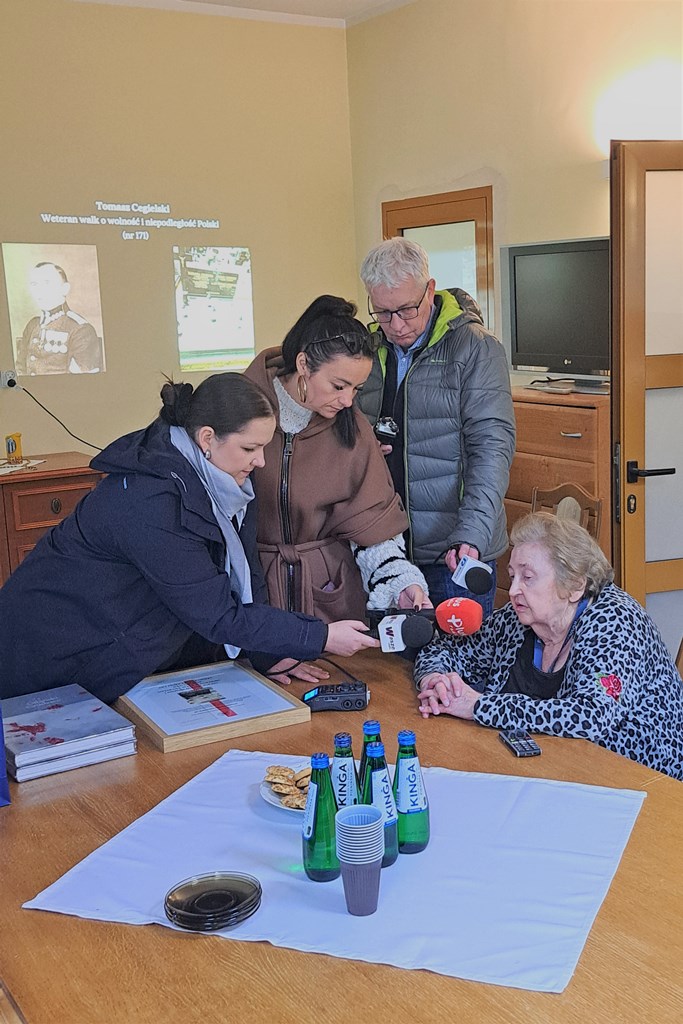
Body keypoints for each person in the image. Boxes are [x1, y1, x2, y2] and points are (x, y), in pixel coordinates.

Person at [0, 373, 378, 704]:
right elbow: (216, 612)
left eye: (264, 447)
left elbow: (248, 580)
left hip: (109, 654)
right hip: (48, 662)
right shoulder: (150, 501)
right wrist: (319, 636)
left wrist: (268, 652)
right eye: (250, 448)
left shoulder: (225, 484)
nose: (261, 461)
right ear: (207, 438)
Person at [415, 513, 683, 780]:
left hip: (642, 783)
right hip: (548, 772)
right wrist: (435, 680)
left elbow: (590, 717)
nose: (513, 590)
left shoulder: (616, 623)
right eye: (512, 576)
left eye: (527, 577)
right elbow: (445, 650)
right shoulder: (516, 618)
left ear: (575, 585)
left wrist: (479, 706)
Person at [244, 294, 430, 622]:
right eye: (338, 385)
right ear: (303, 364)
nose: (347, 401)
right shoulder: (240, 412)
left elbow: (373, 527)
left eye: (357, 389)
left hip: (329, 602)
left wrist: (400, 581)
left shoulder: (351, 428)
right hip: (253, 598)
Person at [358, 237, 516, 618]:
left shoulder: (475, 348)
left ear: (430, 289)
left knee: (456, 671)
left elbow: (491, 450)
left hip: (452, 551)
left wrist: (472, 535)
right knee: (388, 669)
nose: (395, 325)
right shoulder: (363, 348)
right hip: (383, 548)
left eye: (407, 310)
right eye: (382, 312)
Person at [15, 261, 103, 375]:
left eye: (47, 282)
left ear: (65, 289)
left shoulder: (80, 329)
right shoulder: (33, 324)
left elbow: (83, 383)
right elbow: (19, 370)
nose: (39, 290)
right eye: (34, 284)